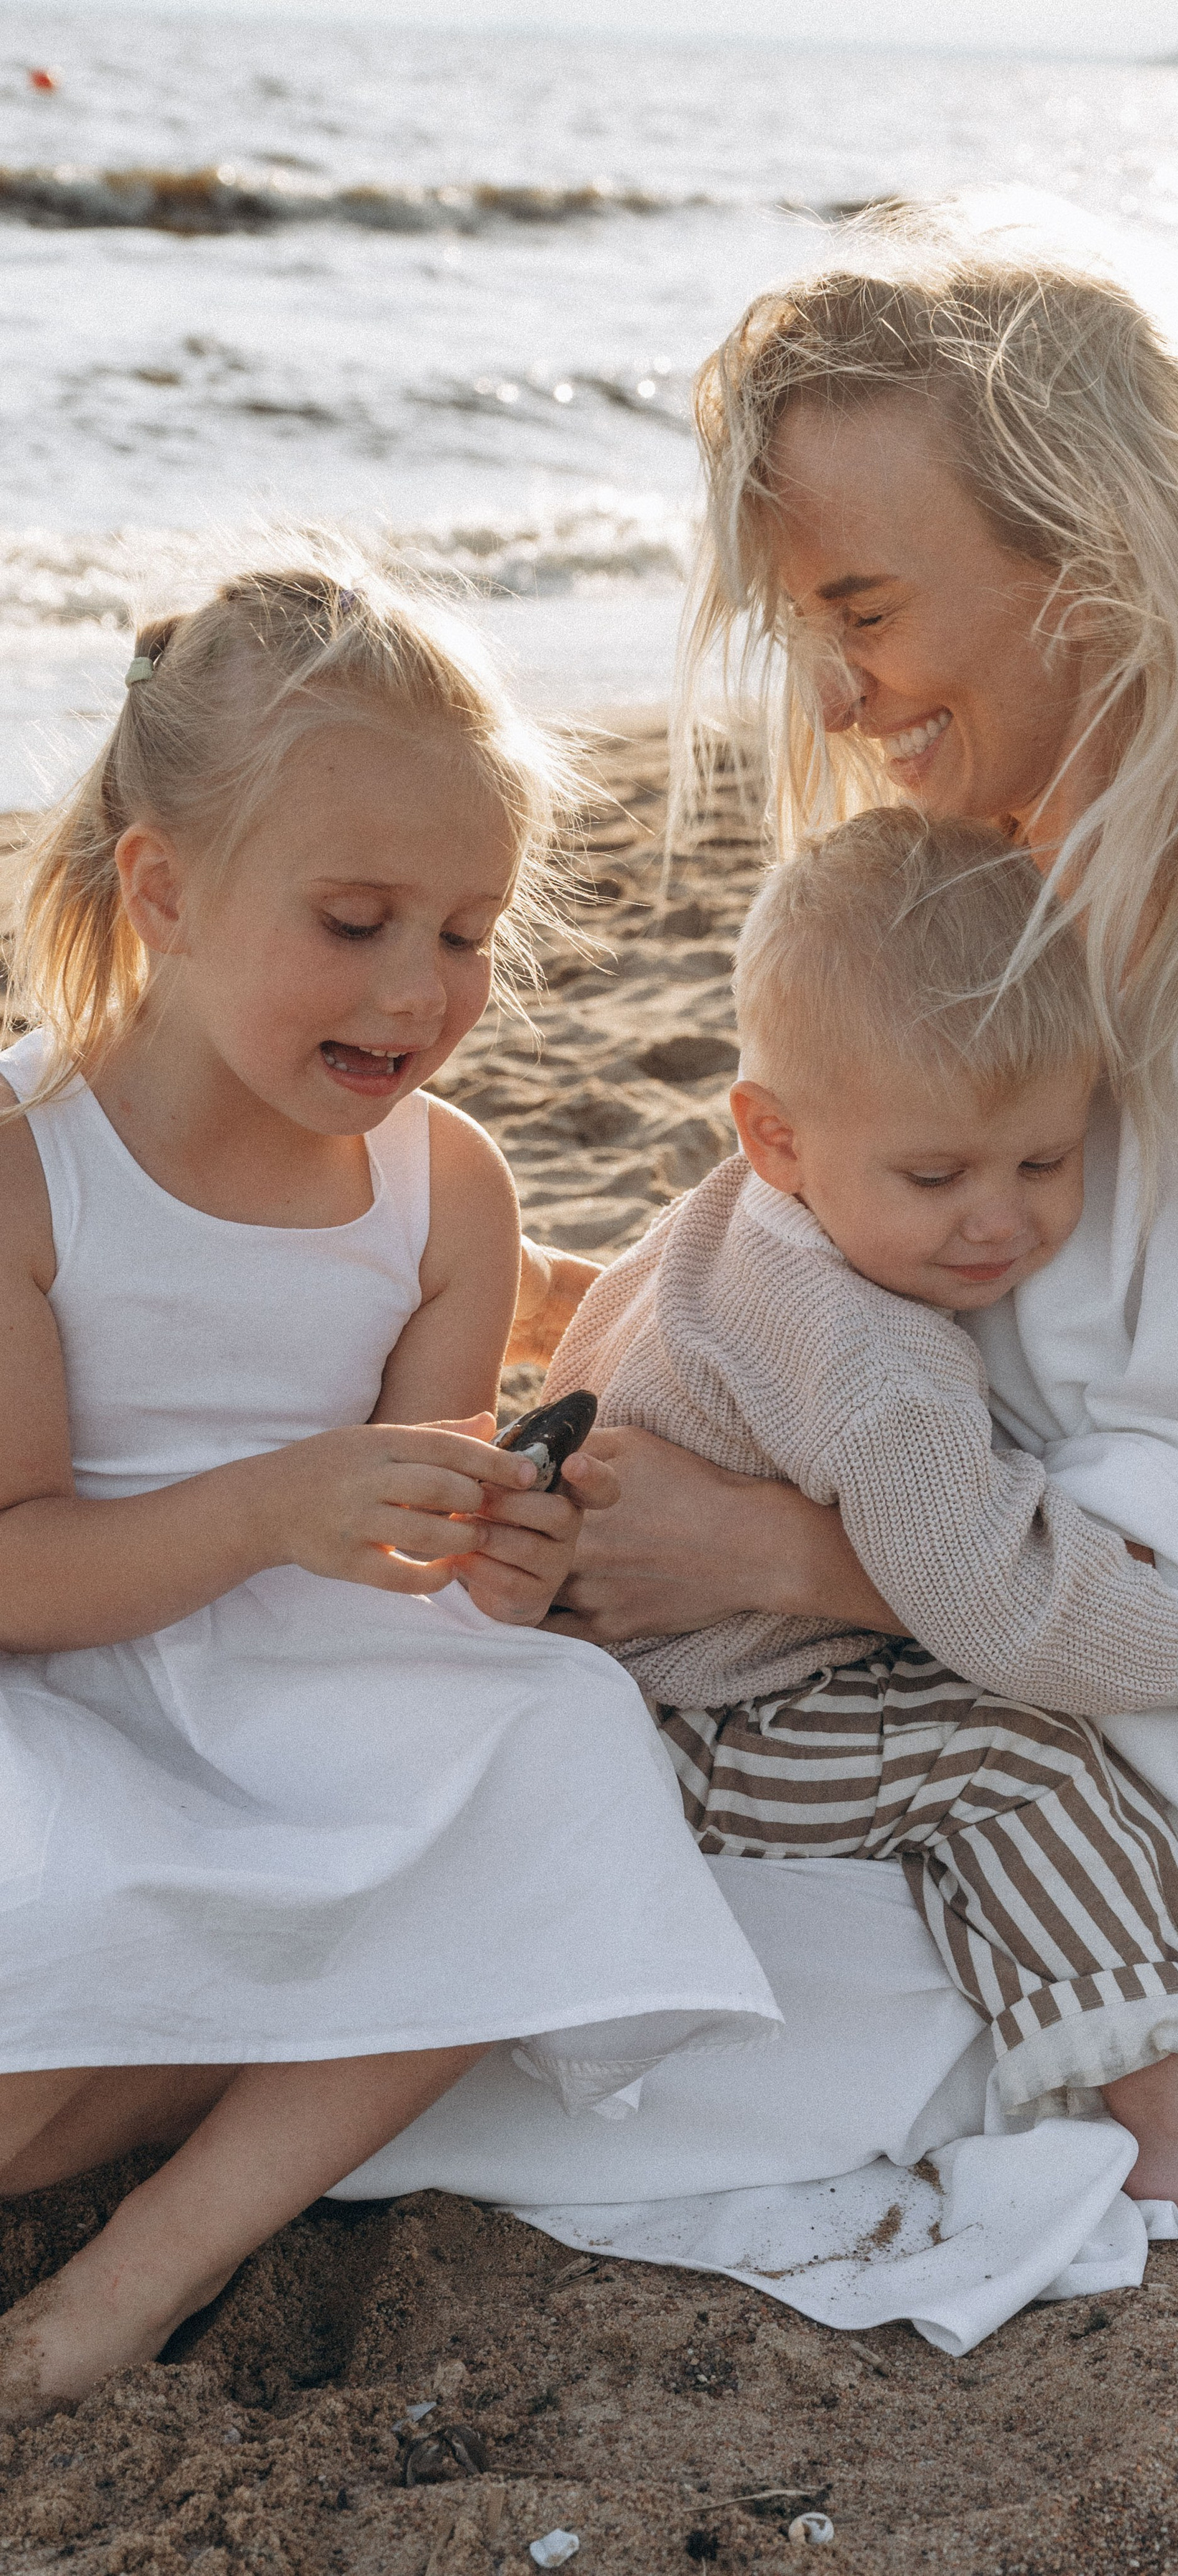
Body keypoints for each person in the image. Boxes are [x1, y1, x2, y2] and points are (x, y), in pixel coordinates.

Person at [531, 217, 1178, 2226]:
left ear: (1081, 559)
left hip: (1130, 1831)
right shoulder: (990, 919)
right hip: (907, 1686)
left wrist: (770, 1546)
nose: (835, 681)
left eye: (864, 603)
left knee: (467, 1996)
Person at [0, 566, 777, 2423]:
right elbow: (19, 1571)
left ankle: (155, 2262)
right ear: (164, 891)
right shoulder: (38, 1171)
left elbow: (431, 1573)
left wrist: (503, 1558)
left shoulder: (448, 1186)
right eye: (355, 923)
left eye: (466, 930)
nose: (422, 991)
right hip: (70, 1677)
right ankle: (306, 2011)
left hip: (316, 1681)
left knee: (568, 1735)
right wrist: (278, 1503)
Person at [548, 802, 1178, 2222]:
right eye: (936, 1175)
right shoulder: (875, 1363)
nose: (995, 1225)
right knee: (1010, 1755)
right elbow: (1009, 1614)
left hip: (654, 1685)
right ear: (773, 1136)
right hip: (710, 1732)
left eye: (1041, 1159)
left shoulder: (724, 1219)